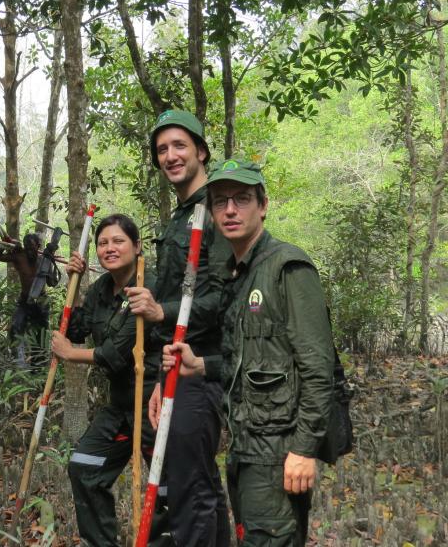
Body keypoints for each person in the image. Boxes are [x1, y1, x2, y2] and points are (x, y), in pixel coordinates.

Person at [163, 159, 334, 546]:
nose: (229, 210)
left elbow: (317, 366)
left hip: (279, 455)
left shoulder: (287, 267)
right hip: (244, 449)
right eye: (221, 201)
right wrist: (201, 365)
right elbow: (252, 362)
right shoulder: (237, 274)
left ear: (263, 205)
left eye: (241, 199)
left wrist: (305, 450)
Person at [125, 110, 231, 546]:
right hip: (175, 363)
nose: (170, 156)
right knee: (199, 483)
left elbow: (224, 298)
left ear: (201, 151)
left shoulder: (219, 209)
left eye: (179, 146)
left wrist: (161, 312)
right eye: (162, 150)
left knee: (191, 490)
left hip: (202, 366)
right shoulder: (180, 216)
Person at [51, 214, 169, 546]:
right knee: (84, 468)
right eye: (103, 243)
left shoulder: (148, 288)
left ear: (137, 246)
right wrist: (72, 284)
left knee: (166, 487)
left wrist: (70, 355)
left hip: (153, 403)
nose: (109, 248)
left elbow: (117, 352)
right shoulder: (102, 288)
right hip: (119, 405)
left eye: (118, 241)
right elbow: (74, 330)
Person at [0, 233, 58, 368]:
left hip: (41, 303)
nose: (29, 251)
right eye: (26, 248)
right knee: (16, 327)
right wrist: (4, 244)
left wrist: (51, 263)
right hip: (24, 302)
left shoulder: (44, 261)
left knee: (40, 334)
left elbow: (52, 283)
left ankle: (38, 366)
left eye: (32, 248)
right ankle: (19, 363)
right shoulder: (19, 257)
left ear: (38, 246)